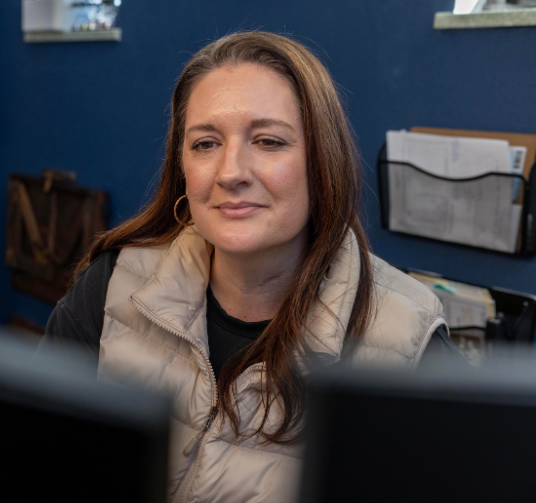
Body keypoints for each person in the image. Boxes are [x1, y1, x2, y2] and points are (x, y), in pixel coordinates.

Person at [42, 31, 464, 503]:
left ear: (323, 161)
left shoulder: (410, 343)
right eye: (205, 144)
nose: (230, 172)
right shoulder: (111, 284)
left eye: (268, 141)